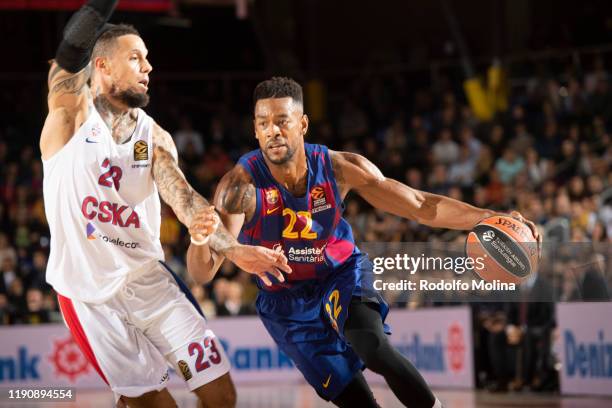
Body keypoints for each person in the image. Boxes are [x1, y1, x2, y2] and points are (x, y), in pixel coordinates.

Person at [188, 77, 540, 407]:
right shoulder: (240, 187)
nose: (272, 131)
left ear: (303, 124)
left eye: (282, 120)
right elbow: (203, 272)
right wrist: (199, 238)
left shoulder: (339, 168)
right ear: (254, 129)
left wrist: (488, 217)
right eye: (263, 123)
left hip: (339, 274)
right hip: (285, 302)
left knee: (373, 347)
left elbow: (420, 206)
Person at [40, 2, 290, 407]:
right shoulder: (70, 116)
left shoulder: (153, 136)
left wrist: (235, 250)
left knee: (221, 394)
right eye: (136, 58)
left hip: (149, 282)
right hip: (90, 296)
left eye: (148, 58)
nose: (148, 67)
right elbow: (70, 52)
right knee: (153, 404)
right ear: (101, 66)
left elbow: (185, 198)